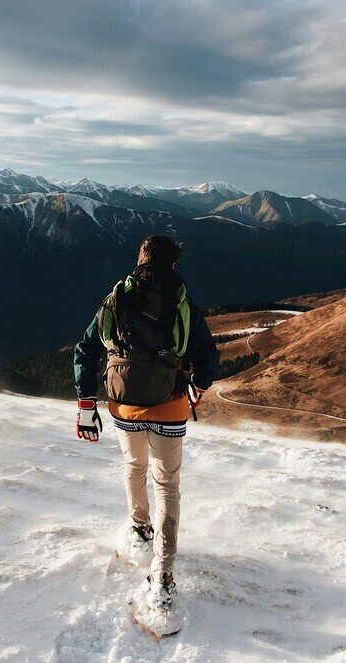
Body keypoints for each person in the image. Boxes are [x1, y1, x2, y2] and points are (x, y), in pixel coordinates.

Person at [73, 234, 219, 611]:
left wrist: (87, 403)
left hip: (123, 404)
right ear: (172, 264)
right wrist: (196, 390)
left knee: (134, 466)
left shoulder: (117, 298)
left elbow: (86, 349)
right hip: (169, 406)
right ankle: (164, 575)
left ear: (140, 260)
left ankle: (140, 529)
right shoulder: (182, 302)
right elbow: (208, 359)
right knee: (167, 484)